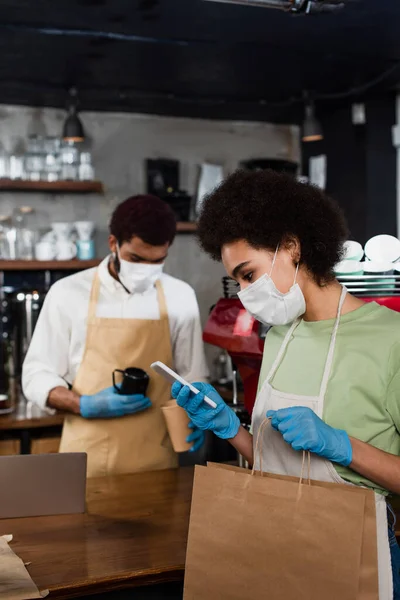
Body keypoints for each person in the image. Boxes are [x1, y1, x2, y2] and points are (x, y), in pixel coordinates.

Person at [172, 170, 400, 600]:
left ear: (292, 248)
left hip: (355, 551)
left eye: (248, 273)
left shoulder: (390, 339)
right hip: (277, 539)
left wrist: (344, 446)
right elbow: (278, 464)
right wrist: (230, 429)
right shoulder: (280, 335)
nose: (243, 293)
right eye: (237, 281)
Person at [23, 194, 209, 477]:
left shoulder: (180, 296)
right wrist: (82, 404)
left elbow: (192, 376)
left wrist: (198, 414)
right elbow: (36, 374)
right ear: (113, 244)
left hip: (156, 463)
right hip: (85, 463)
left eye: (156, 261)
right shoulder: (68, 293)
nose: (145, 271)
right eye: (136, 258)